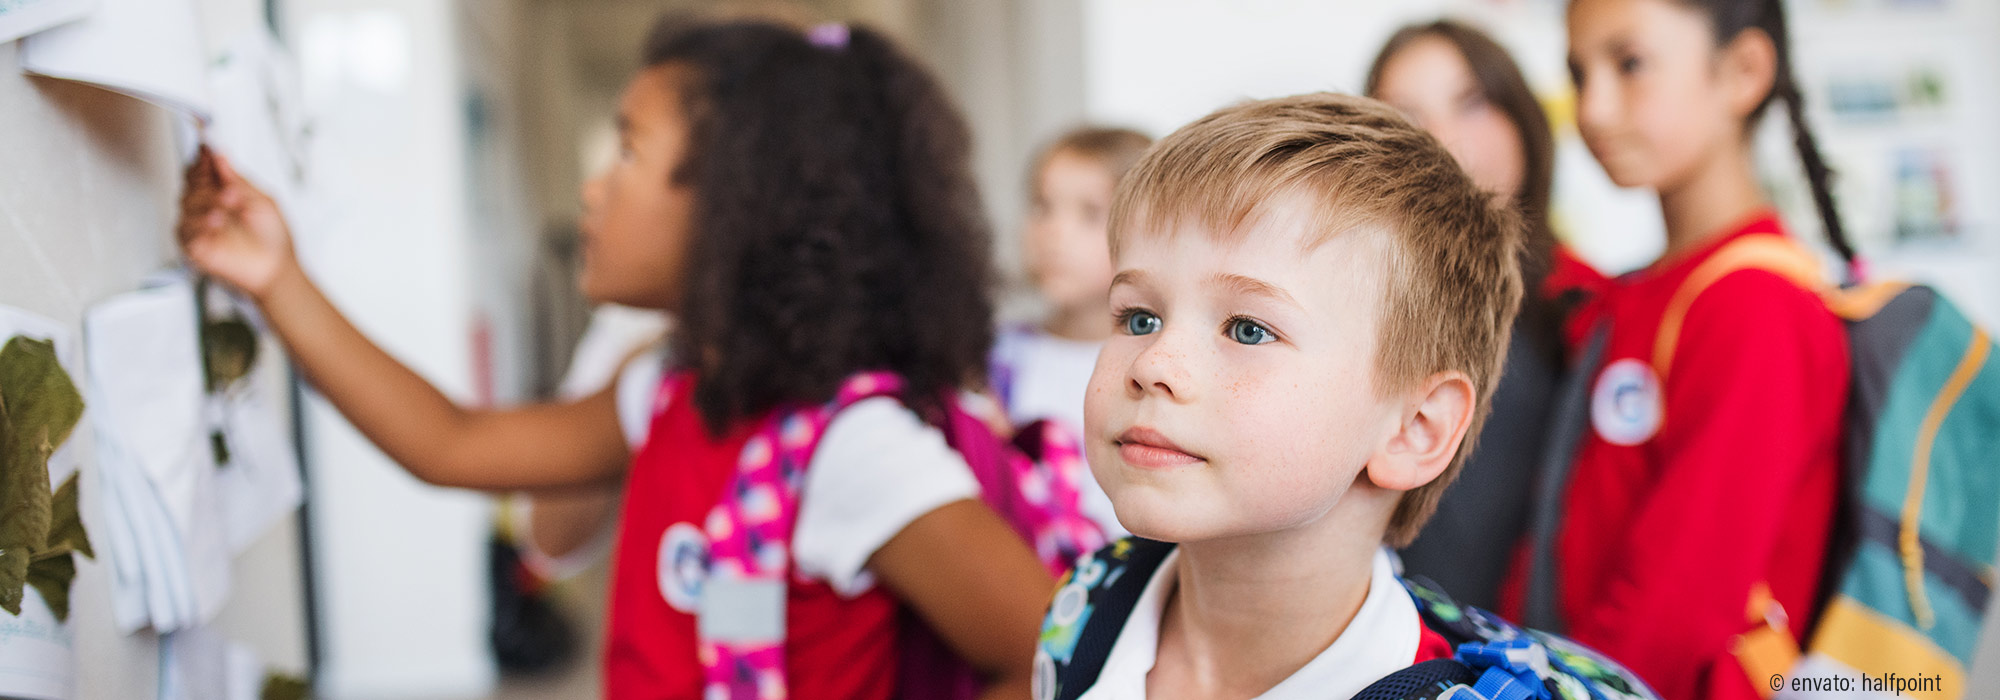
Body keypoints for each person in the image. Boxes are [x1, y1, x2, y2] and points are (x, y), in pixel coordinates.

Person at [179, 15, 1059, 700]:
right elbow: (449, 441)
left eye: (629, 149)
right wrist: (277, 279)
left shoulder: (856, 452)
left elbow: (1039, 653)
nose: (593, 186)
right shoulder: (663, 390)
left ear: (736, 208)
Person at [1037, 92, 1525, 699]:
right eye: (1139, 318)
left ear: (1414, 428)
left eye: (1248, 329)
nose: (1153, 364)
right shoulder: (1085, 610)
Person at [1497, 1, 1853, 698]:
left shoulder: (1758, 305)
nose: (1592, 110)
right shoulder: (1646, 289)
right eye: (1578, 72)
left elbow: (1676, 610)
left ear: (1743, 71)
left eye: (1630, 65)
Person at [1365, 18, 1608, 610]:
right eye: (1407, 112)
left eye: (1471, 103)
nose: (1442, 135)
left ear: (1522, 117)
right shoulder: (1347, 307)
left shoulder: (1594, 306)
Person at [993, 126, 1153, 539]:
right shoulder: (998, 357)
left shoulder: (1155, 363)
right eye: (1042, 207)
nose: (1054, 233)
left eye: (1089, 214)